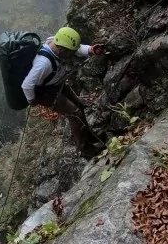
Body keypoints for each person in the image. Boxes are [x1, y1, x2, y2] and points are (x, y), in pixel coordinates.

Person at [21, 27, 105, 158]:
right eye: (70, 53)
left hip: (57, 84)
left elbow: (77, 48)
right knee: (75, 115)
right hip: (47, 94)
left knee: (80, 106)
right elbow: (27, 85)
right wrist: (32, 100)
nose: (72, 55)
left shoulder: (57, 42)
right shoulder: (43, 63)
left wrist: (90, 49)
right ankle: (86, 150)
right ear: (62, 50)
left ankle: (90, 138)